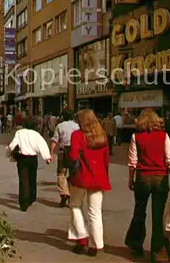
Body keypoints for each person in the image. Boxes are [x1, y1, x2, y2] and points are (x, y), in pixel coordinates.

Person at [125, 108, 170, 262]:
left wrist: (131, 180)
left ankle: (135, 245)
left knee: (139, 212)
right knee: (158, 216)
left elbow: (132, 162)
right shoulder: (164, 136)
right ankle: (159, 253)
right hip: (161, 178)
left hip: (143, 177)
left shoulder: (136, 137)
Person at [67, 109, 110, 257]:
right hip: (99, 177)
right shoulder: (101, 135)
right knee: (95, 212)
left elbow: (73, 156)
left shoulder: (77, 135)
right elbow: (106, 160)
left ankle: (82, 238)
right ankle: (95, 245)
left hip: (81, 176)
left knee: (75, 206)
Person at [6, 119, 51, 212]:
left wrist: (8, 154)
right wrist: (47, 157)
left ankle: (23, 203)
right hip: (33, 159)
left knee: (23, 180)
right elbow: (42, 145)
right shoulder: (36, 134)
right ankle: (31, 197)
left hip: (22, 159)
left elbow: (12, 145)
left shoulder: (20, 133)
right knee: (32, 178)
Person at [49, 109, 80, 208]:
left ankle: (64, 193)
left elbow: (54, 140)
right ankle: (71, 196)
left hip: (63, 152)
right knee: (74, 174)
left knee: (61, 173)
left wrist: (51, 153)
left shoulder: (60, 126)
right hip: (75, 152)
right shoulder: (77, 126)